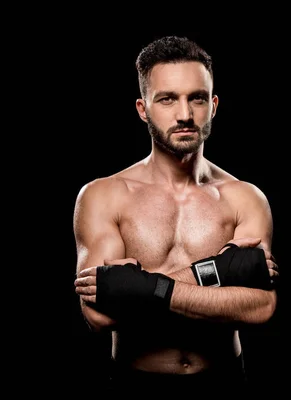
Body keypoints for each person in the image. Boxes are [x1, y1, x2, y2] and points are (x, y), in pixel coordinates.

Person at [72, 35, 279, 395]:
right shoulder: (103, 195)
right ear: (143, 109)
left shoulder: (244, 197)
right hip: (136, 383)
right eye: (167, 99)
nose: (184, 114)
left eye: (196, 98)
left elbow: (260, 307)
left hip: (225, 380)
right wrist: (221, 273)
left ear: (213, 105)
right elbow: (100, 315)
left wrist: (138, 287)